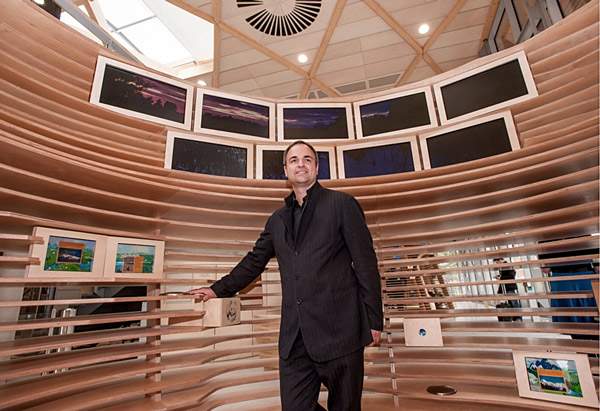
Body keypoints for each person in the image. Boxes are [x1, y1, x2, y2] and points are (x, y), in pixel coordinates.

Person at [190, 140, 383, 411]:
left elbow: (365, 264)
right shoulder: (277, 220)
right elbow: (254, 262)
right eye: (294, 160)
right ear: (286, 170)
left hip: (342, 334)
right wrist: (216, 289)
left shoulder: (343, 205)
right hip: (295, 340)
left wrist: (374, 319)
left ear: (316, 167)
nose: (300, 164)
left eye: (307, 159)